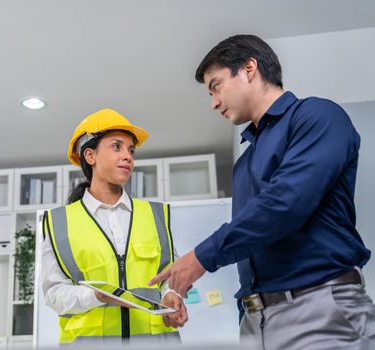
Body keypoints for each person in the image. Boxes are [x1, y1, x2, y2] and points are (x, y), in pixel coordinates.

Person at [149, 34, 375, 349]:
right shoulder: (245, 164)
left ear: (249, 69)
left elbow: (286, 203)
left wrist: (201, 258)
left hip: (320, 310)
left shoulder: (317, 117)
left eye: (216, 86)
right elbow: (253, 236)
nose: (213, 102)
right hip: (255, 321)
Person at [42, 108, 188, 344]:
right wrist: (96, 296)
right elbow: (54, 294)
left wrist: (172, 294)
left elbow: (170, 275)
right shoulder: (60, 222)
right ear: (90, 156)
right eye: (117, 147)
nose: (128, 156)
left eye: (131, 150)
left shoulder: (155, 214)